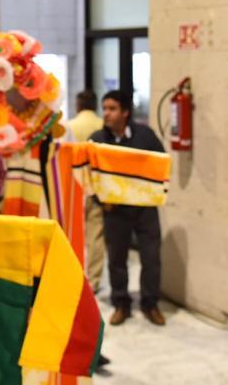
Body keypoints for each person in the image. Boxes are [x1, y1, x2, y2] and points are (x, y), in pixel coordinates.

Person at [90, 90, 167, 326]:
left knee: (151, 258)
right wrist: (102, 201)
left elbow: (161, 166)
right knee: (117, 259)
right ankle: (121, 304)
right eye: (105, 108)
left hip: (145, 210)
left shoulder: (146, 135)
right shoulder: (97, 140)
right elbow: (89, 175)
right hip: (115, 210)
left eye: (112, 109)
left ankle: (150, 303)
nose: (107, 114)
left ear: (125, 112)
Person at [67, 90, 106, 291]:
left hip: (74, 186)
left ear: (78, 105)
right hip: (96, 186)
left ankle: (73, 275)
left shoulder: (70, 127)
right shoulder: (102, 126)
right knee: (95, 234)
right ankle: (94, 280)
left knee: (73, 233)